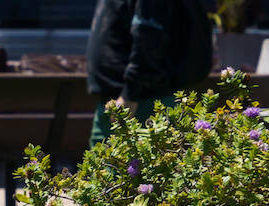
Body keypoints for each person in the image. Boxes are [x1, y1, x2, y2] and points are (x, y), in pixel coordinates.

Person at [86, 0, 215, 145]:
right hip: (122, 98)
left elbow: (148, 34)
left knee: (123, 163)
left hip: (139, 100)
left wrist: (130, 93)